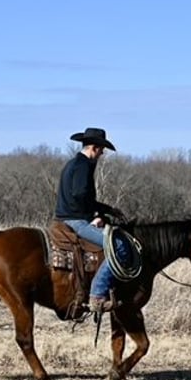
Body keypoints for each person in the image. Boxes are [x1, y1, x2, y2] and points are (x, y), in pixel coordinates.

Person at [54, 127, 127, 313]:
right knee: (118, 246)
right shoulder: (83, 165)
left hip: (68, 217)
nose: (102, 153)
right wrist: (93, 217)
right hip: (76, 221)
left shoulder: (73, 163)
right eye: (101, 150)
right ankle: (97, 294)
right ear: (94, 148)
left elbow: (82, 196)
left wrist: (107, 210)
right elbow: (80, 195)